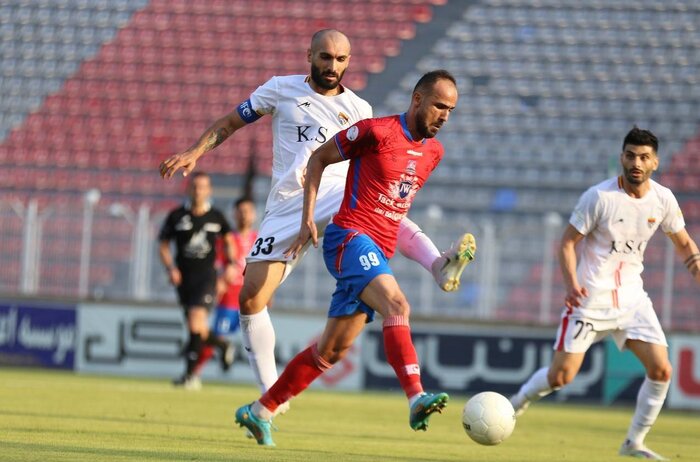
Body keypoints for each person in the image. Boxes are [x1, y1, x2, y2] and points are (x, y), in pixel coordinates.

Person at [159, 29, 475, 407]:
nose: (332, 66)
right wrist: (196, 151)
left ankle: (438, 263)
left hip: (339, 194)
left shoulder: (360, 109)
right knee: (251, 298)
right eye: (325, 57)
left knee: (386, 206)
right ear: (310, 54)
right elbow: (231, 121)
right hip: (289, 203)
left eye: (341, 60)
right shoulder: (280, 89)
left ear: (349, 62)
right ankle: (269, 393)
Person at [234, 69, 460, 446]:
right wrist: (308, 213)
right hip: (348, 238)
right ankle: (416, 395)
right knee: (397, 304)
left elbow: (396, 210)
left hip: (378, 251)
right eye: (439, 105)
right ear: (417, 99)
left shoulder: (433, 153)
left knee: (332, 351)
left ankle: (260, 411)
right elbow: (319, 159)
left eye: (451, 109)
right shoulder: (375, 131)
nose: (445, 115)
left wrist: (437, 261)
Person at [509, 127, 700, 460]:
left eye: (643, 157)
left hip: (632, 299)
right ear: (621, 157)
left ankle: (633, 443)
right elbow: (567, 243)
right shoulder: (599, 197)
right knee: (561, 377)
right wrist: (571, 284)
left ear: (655, 161)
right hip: (589, 300)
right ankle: (517, 402)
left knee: (662, 371)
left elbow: (683, 243)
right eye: (629, 155)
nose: (635, 163)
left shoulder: (663, 199)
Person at [158, 171, 237, 390]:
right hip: (183, 278)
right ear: (188, 189)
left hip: (207, 277)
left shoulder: (217, 217)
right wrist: (171, 268)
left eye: (202, 187)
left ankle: (190, 376)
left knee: (195, 320)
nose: (198, 191)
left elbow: (229, 242)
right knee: (197, 329)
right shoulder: (176, 216)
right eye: (195, 186)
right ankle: (221, 344)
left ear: (209, 190)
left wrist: (230, 265)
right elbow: (163, 245)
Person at [192, 197, 258, 377]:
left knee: (257, 341)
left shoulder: (259, 239)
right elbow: (219, 266)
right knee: (216, 336)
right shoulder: (227, 240)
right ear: (234, 214)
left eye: (248, 211)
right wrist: (219, 285)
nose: (244, 215)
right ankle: (195, 372)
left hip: (254, 297)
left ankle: (261, 380)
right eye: (241, 211)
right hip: (230, 297)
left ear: (254, 214)